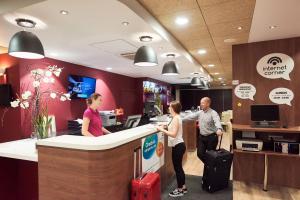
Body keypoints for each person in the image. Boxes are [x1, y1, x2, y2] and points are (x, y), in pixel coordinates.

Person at [156, 101, 187, 197]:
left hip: (178, 146)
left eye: (170, 107)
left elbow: (173, 134)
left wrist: (162, 130)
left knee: (178, 169)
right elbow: (172, 128)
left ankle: (180, 189)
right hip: (178, 146)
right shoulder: (175, 118)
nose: (169, 108)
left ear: (173, 108)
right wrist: (165, 127)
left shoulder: (176, 118)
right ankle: (183, 187)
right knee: (179, 168)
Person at [184, 97, 223, 164]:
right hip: (202, 137)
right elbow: (190, 117)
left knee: (211, 155)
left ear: (208, 104)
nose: (201, 104)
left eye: (202, 103)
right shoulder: (200, 113)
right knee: (200, 154)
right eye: (201, 103)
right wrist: (179, 118)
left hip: (211, 137)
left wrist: (219, 129)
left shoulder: (213, 113)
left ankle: (211, 168)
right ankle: (209, 165)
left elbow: (217, 121)